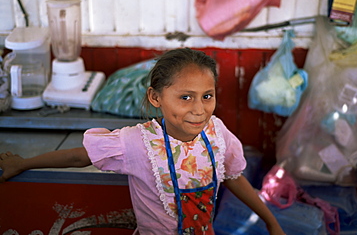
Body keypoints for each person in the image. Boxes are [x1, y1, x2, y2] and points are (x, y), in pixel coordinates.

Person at [0, 48, 285, 235]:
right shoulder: (137, 141)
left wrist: (270, 220)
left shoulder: (217, 133)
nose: (199, 109)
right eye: (185, 97)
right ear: (156, 97)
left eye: (207, 96)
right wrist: (23, 163)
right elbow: (79, 156)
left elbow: (233, 177)